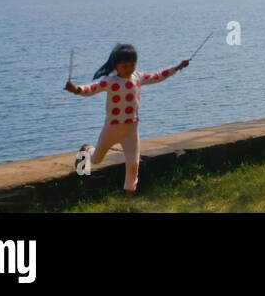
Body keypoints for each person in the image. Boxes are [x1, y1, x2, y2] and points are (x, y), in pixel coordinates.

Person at [65, 43, 189, 197]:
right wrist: (76, 89)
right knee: (96, 159)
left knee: (133, 164)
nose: (129, 68)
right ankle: (86, 150)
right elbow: (92, 88)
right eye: (124, 65)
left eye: (132, 64)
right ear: (116, 66)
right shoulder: (109, 81)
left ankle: (129, 197)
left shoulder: (138, 77)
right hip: (112, 128)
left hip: (131, 130)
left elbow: (158, 76)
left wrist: (177, 67)